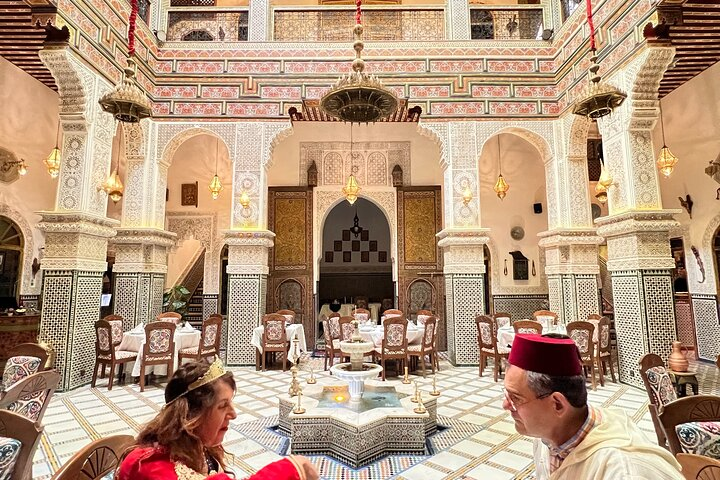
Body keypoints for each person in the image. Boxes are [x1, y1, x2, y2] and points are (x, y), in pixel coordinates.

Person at [503, 333, 683, 479]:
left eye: (515, 398)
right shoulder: (547, 437)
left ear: (557, 404)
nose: (506, 405)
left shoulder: (623, 471)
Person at [118, 358, 319, 480]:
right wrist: (295, 467)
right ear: (190, 415)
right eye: (223, 406)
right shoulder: (148, 464)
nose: (233, 414)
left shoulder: (198, 447)